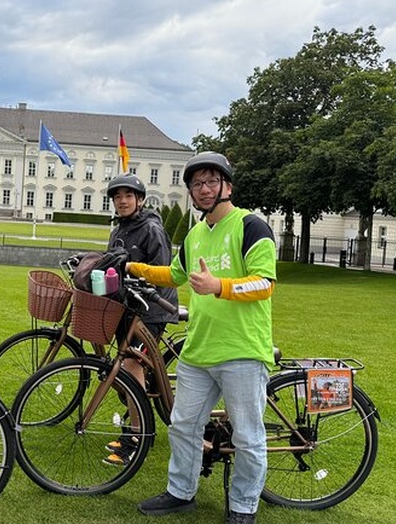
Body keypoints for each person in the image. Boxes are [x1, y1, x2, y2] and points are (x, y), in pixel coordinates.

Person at [129, 152, 276, 524]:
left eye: (212, 181)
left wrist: (219, 285)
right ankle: (181, 492)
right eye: (197, 184)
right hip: (199, 350)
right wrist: (134, 267)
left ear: (227, 185)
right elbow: (175, 275)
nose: (205, 189)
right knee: (183, 425)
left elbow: (264, 283)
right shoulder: (195, 234)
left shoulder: (252, 227)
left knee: (247, 436)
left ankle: (243, 507)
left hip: (242, 350)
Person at [103, 173, 179, 467]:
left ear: (140, 200)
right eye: (117, 197)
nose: (122, 201)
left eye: (128, 196)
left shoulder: (151, 229)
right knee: (119, 367)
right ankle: (137, 415)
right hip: (129, 307)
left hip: (152, 310)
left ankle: (137, 434)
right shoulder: (119, 230)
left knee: (131, 366)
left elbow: (162, 272)